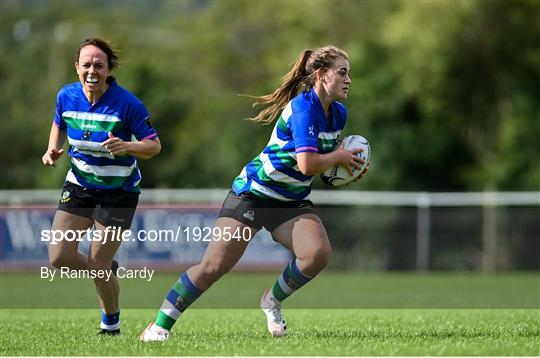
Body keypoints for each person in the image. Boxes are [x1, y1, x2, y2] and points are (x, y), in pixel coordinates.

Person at [139, 45, 367, 342]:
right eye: (343, 72)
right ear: (322, 75)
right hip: (254, 194)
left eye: (349, 73)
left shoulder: (338, 114)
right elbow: (308, 163)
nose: (349, 79)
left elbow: (316, 163)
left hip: (290, 201)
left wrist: (338, 167)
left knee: (316, 255)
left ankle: (271, 301)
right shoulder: (302, 109)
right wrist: (338, 159)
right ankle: (158, 327)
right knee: (213, 267)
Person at [42, 37, 161, 335]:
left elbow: (154, 146)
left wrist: (127, 145)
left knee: (98, 261)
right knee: (58, 257)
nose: (92, 70)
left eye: (99, 65)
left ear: (109, 70)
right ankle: (105, 269)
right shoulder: (66, 96)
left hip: (119, 193)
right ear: (76, 68)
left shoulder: (127, 104)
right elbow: (59, 122)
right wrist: (52, 149)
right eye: (86, 65)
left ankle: (111, 323)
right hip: (80, 184)